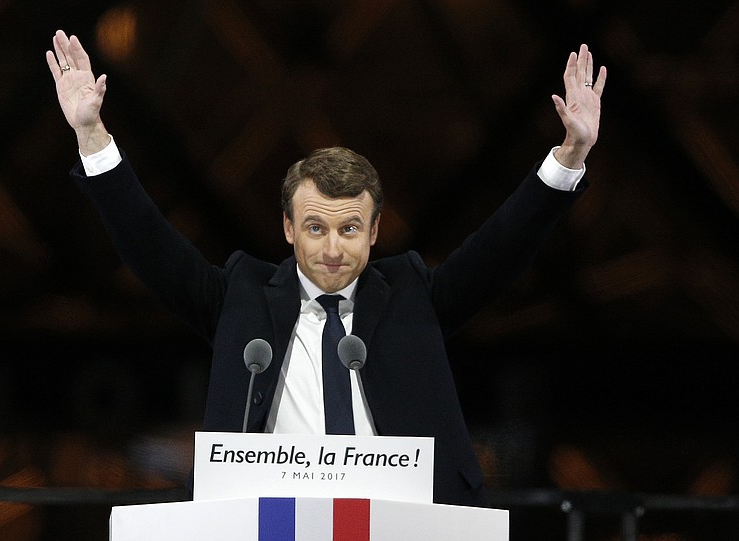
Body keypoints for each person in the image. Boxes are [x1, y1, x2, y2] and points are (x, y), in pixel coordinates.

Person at [46, 30, 606, 507]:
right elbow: (150, 246)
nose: (333, 248)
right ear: (288, 229)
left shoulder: (414, 293)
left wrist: (571, 154)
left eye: (349, 228)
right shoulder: (239, 296)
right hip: (268, 525)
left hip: (403, 523)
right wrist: (91, 136)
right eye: (316, 228)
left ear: (375, 230)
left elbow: (502, 247)